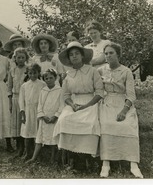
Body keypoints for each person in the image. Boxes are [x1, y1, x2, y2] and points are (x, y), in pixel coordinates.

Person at [53, 41, 103, 169]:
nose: (74, 56)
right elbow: (66, 95)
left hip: (91, 102)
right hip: (74, 103)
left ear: (82, 56)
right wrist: (72, 105)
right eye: (71, 55)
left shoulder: (92, 71)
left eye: (77, 54)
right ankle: (72, 158)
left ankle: (89, 159)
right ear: (69, 58)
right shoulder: (68, 75)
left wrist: (87, 105)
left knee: (90, 123)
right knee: (64, 120)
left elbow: (99, 92)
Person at [98, 42, 143, 178]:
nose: (108, 56)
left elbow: (131, 95)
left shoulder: (126, 71)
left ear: (118, 54)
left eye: (111, 53)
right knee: (106, 125)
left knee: (128, 125)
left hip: (123, 103)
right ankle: (106, 163)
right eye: (106, 53)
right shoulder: (101, 70)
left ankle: (133, 163)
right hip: (107, 102)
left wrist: (124, 111)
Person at [26, 69, 63, 164]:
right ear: (44, 79)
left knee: (53, 139)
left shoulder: (59, 90)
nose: (49, 80)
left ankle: (53, 158)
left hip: (54, 119)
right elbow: (40, 105)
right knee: (40, 138)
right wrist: (42, 116)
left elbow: (61, 105)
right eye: (46, 78)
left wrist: (56, 116)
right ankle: (34, 158)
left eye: (51, 78)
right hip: (45, 118)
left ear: (55, 78)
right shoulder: (43, 90)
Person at [18, 63, 45, 160]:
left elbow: (44, 98)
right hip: (27, 110)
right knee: (27, 132)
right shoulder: (24, 86)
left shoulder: (42, 84)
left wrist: (42, 111)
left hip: (38, 110)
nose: (32, 75)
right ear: (27, 74)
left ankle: (38, 154)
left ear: (38, 73)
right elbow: (21, 99)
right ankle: (28, 153)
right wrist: (22, 111)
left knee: (37, 131)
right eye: (30, 73)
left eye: (35, 73)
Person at [7, 47, 29, 156]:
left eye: (22, 57)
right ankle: (19, 148)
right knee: (17, 123)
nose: (20, 59)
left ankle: (27, 148)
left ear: (26, 58)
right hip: (15, 98)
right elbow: (9, 87)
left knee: (25, 122)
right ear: (15, 58)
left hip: (26, 99)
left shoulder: (29, 69)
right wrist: (10, 102)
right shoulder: (12, 70)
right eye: (18, 57)